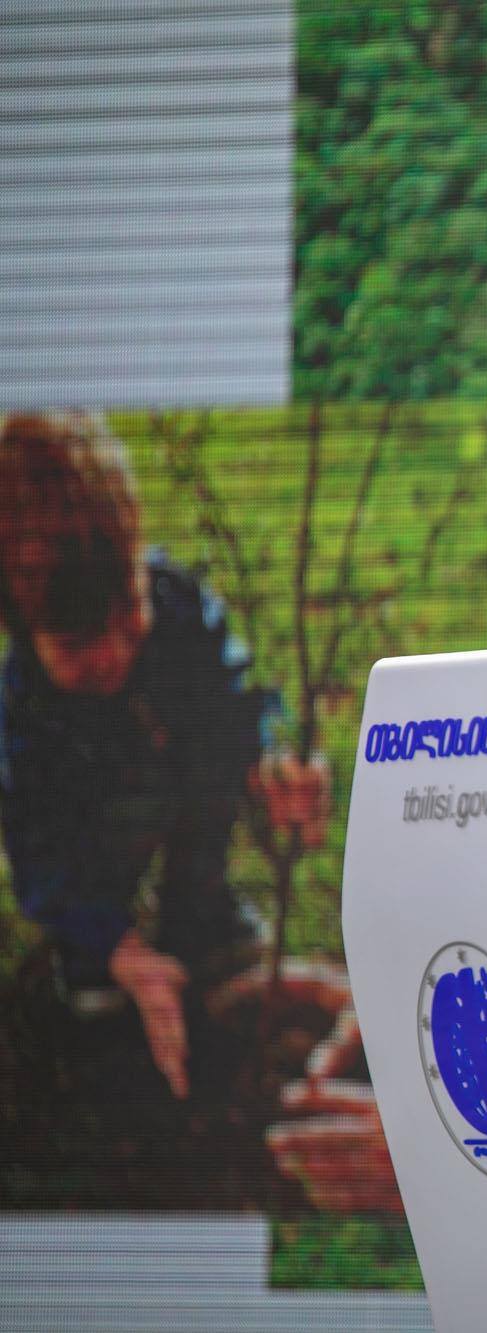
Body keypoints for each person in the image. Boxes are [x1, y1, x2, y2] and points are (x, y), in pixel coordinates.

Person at [0, 410, 327, 1101]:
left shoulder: (178, 610)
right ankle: (97, 958)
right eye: (79, 646)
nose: (114, 656)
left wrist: (274, 762)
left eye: (128, 615)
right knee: (97, 1010)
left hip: (174, 785)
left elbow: (243, 705)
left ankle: (198, 911)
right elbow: (40, 860)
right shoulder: (28, 711)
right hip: (93, 834)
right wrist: (121, 951)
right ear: (23, 631)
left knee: (207, 755)